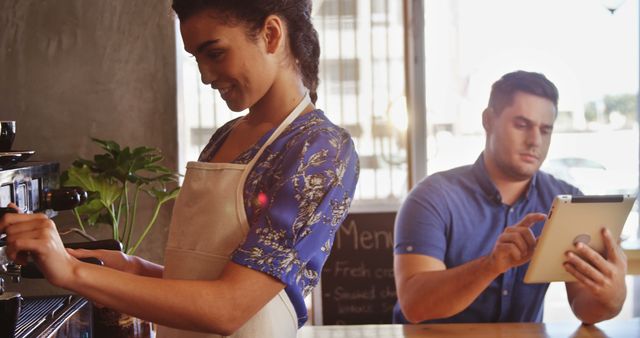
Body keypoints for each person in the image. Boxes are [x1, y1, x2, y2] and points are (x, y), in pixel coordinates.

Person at [0, 1, 359, 337]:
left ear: (271, 35)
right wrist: (130, 267)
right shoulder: (226, 137)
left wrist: (73, 272)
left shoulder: (322, 149)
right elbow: (203, 280)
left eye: (215, 52)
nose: (205, 75)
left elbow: (230, 307)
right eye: (197, 58)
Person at [393, 70, 627, 324]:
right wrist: (491, 265)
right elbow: (415, 306)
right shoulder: (431, 198)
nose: (535, 141)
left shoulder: (566, 200)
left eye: (545, 130)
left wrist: (611, 297)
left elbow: (584, 308)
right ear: (488, 121)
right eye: (522, 125)